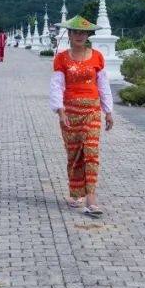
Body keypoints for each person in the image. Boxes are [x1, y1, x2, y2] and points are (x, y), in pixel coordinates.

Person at [50, 15, 113, 216]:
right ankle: (76, 191)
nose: (79, 36)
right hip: (70, 112)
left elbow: (103, 85)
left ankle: (91, 198)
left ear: (88, 35)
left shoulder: (97, 57)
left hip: (92, 111)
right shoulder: (61, 58)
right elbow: (57, 86)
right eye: (75, 32)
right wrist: (60, 111)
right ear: (69, 34)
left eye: (83, 32)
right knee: (74, 154)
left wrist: (108, 111)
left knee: (91, 152)